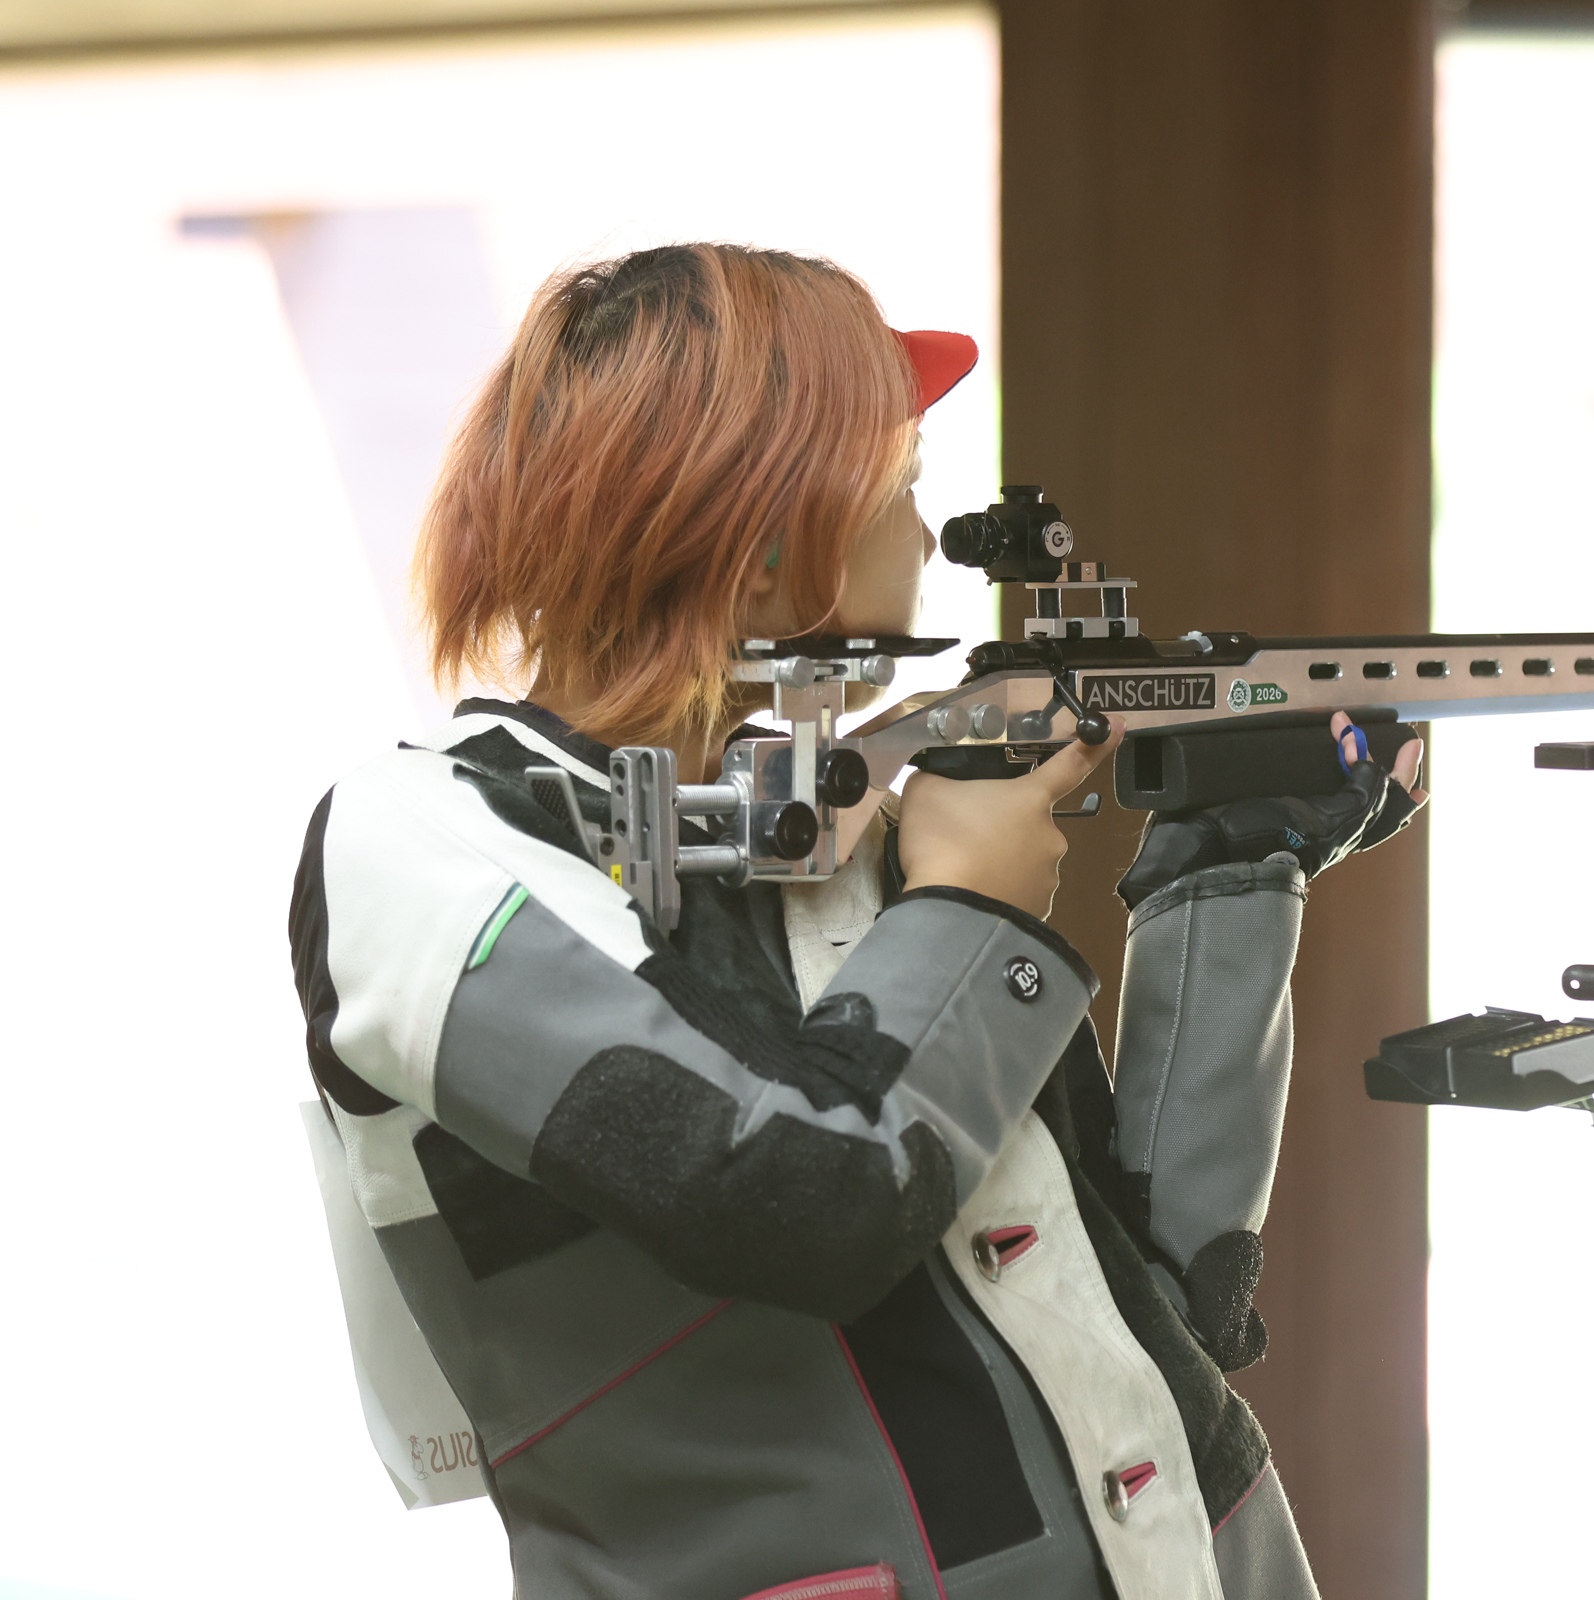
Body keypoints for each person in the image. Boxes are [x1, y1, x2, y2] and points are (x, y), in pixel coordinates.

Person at [288, 243, 1424, 1600]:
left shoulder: (850, 818)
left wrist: (1227, 875)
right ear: (765, 532)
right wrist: (965, 906)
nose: (927, 535)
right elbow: (794, 1195)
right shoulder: (424, 840)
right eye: (899, 483)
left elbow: (1160, 1301)